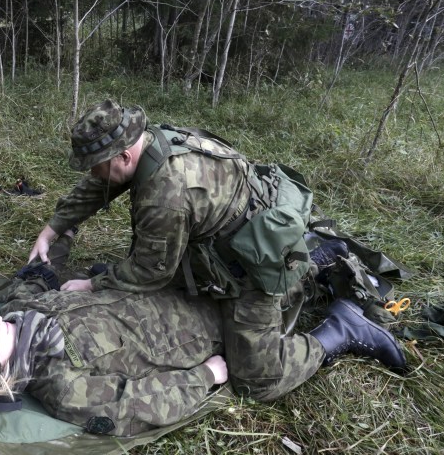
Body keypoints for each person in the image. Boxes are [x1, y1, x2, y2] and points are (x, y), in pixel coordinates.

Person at [25, 100, 406, 401]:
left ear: (123, 156)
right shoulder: (153, 142)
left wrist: (92, 287)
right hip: (235, 231)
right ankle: (317, 259)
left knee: (257, 379)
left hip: (253, 267)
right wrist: (53, 228)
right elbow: (102, 186)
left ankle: (342, 329)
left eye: (96, 166)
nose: (93, 175)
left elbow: (149, 272)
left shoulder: (165, 194)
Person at [0, 285, 228, 436]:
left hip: (177, 287)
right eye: (3, 335)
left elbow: (30, 285)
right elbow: (140, 403)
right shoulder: (67, 390)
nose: (10, 322)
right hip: (212, 329)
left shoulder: (22, 310)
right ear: (3, 375)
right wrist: (205, 376)